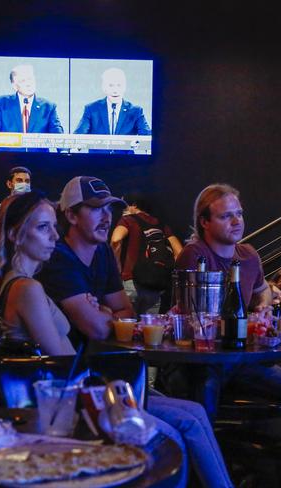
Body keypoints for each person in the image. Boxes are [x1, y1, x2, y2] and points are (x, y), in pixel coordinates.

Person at [37, 176, 234, 488]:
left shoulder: (101, 253)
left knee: (194, 412)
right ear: (71, 216)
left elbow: (125, 313)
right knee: (181, 429)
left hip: (113, 380)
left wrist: (103, 311)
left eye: (109, 210)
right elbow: (99, 327)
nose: (106, 217)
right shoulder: (60, 260)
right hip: (81, 389)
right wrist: (106, 314)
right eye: (95, 209)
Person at [171, 183, 281, 420]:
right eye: (225, 216)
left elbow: (262, 290)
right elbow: (195, 320)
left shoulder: (249, 255)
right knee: (205, 405)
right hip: (202, 361)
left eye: (239, 214)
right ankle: (211, 456)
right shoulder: (194, 254)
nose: (236, 222)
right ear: (205, 222)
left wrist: (263, 307)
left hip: (241, 359)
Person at [0, 191, 75, 355]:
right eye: (43, 227)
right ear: (14, 234)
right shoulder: (26, 288)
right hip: (62, 379)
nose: (55, 235)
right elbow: (59, 360)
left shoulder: (17, 282)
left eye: (54, 225)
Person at [111, 194, 182, 314]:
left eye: (125, 206)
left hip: (131, 283)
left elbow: (115, 240)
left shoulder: (128, 220)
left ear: (133, 205)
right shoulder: (161, 225)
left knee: (127, 330)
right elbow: (180, 252)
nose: (123, 211)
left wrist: (115, 268)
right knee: (151, 330)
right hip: (155, 287)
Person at [0, 65, 64, 150]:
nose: (28, 84)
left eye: (30, 79)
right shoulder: (1, 103)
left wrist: (64, 152)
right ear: (14, 86)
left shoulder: (48, 107)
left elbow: (57, 133)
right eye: (23, 81)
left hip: (38, 160)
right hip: (7, 159)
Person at [74, 68, 151, 136]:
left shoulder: (136, 111)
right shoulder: (91, 109)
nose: (115, 90)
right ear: (104, 88)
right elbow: (79, 135)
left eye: (119, 85)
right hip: (98, 153)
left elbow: (147, 137)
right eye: (111, 85)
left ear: (124, 87)